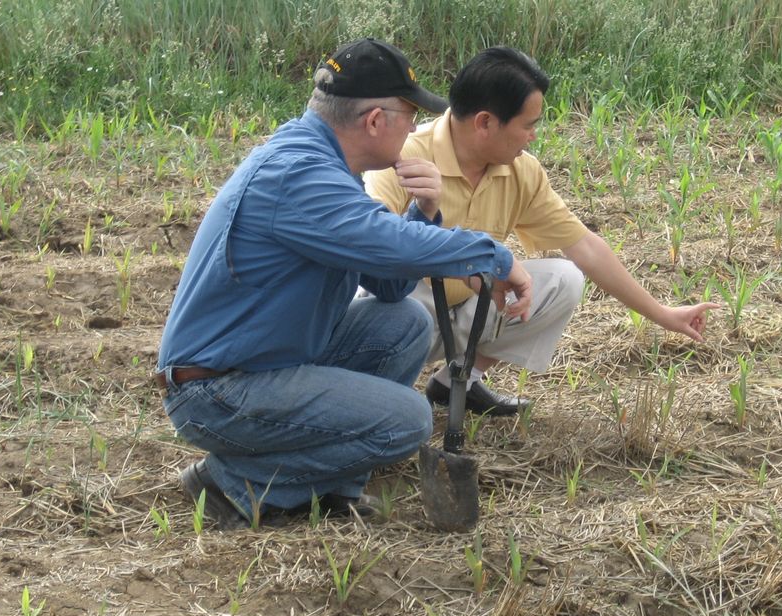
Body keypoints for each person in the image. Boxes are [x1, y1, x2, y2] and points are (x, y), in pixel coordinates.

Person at [155, 38, 532, 530]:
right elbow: (389, 243)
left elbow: (390, 287)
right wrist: (495, 256)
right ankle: (232, 482)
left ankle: (331, 489)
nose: (416, 128)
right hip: (218, 390)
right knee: (408, 421)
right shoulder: (298, 174)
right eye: (410, 114)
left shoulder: (328, 166)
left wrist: (425, 212)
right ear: (376, 121)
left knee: (403, 324)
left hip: (262, 365)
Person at [367, 47, 719, 417]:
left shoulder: (522, 171)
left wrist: (663, 314)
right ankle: (384, 397)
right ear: (485, 123)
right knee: (384, 314)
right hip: (407, 314)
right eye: (528, 124)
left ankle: (459, 381)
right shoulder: (400, 157)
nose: (533, 136)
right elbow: (372, 253)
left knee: (564, 279)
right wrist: (462, 265)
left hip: (471, 310)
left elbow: (585, 247)